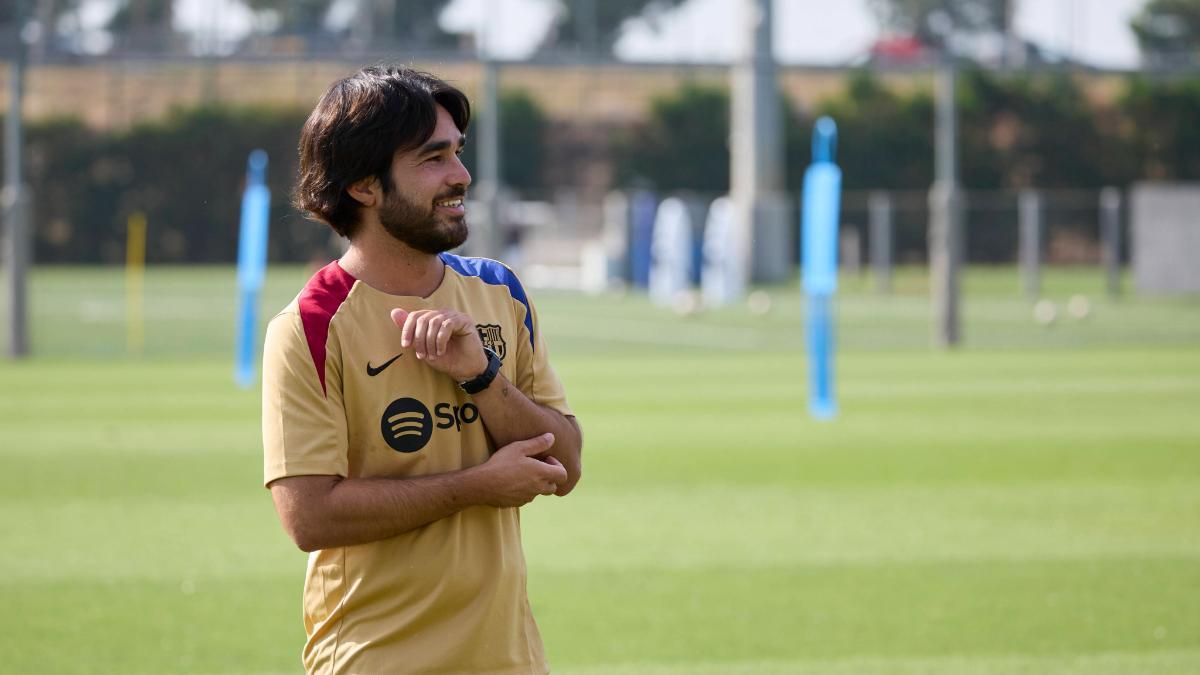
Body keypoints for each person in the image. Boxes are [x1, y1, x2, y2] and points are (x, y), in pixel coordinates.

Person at [261, 65, 582, 674]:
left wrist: (481, 375)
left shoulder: (499, 292)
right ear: (363, 185)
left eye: (457, 153)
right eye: (433, 159)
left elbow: (564, 463)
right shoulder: (310, 326)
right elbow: (309, 517)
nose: (461, 176)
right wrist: (476, 487)